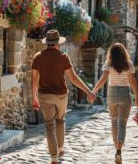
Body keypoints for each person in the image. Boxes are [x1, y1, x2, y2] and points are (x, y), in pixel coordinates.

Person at [31, 29, 95, 164]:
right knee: (60, 121)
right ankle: (60, 149)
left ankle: (54, 157)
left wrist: (34, 97)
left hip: (44, 95)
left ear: (47, 43)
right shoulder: (63, 57)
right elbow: (73, 78)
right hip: (61, 95)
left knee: (49, 125)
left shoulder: (38, 57)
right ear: (57, 43)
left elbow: (34, 79)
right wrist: (88, 91)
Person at [92, 43, 138, 164]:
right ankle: (119, 150)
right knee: (122, 123)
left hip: (112, 93)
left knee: (114, 121)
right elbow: (132, 81)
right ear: (124, 53)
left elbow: (103, 79)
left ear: (111, 53)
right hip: (125, 93)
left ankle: (116, 146)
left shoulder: (108, 64)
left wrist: (93, 91)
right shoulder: (128, 64)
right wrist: (137, 98)